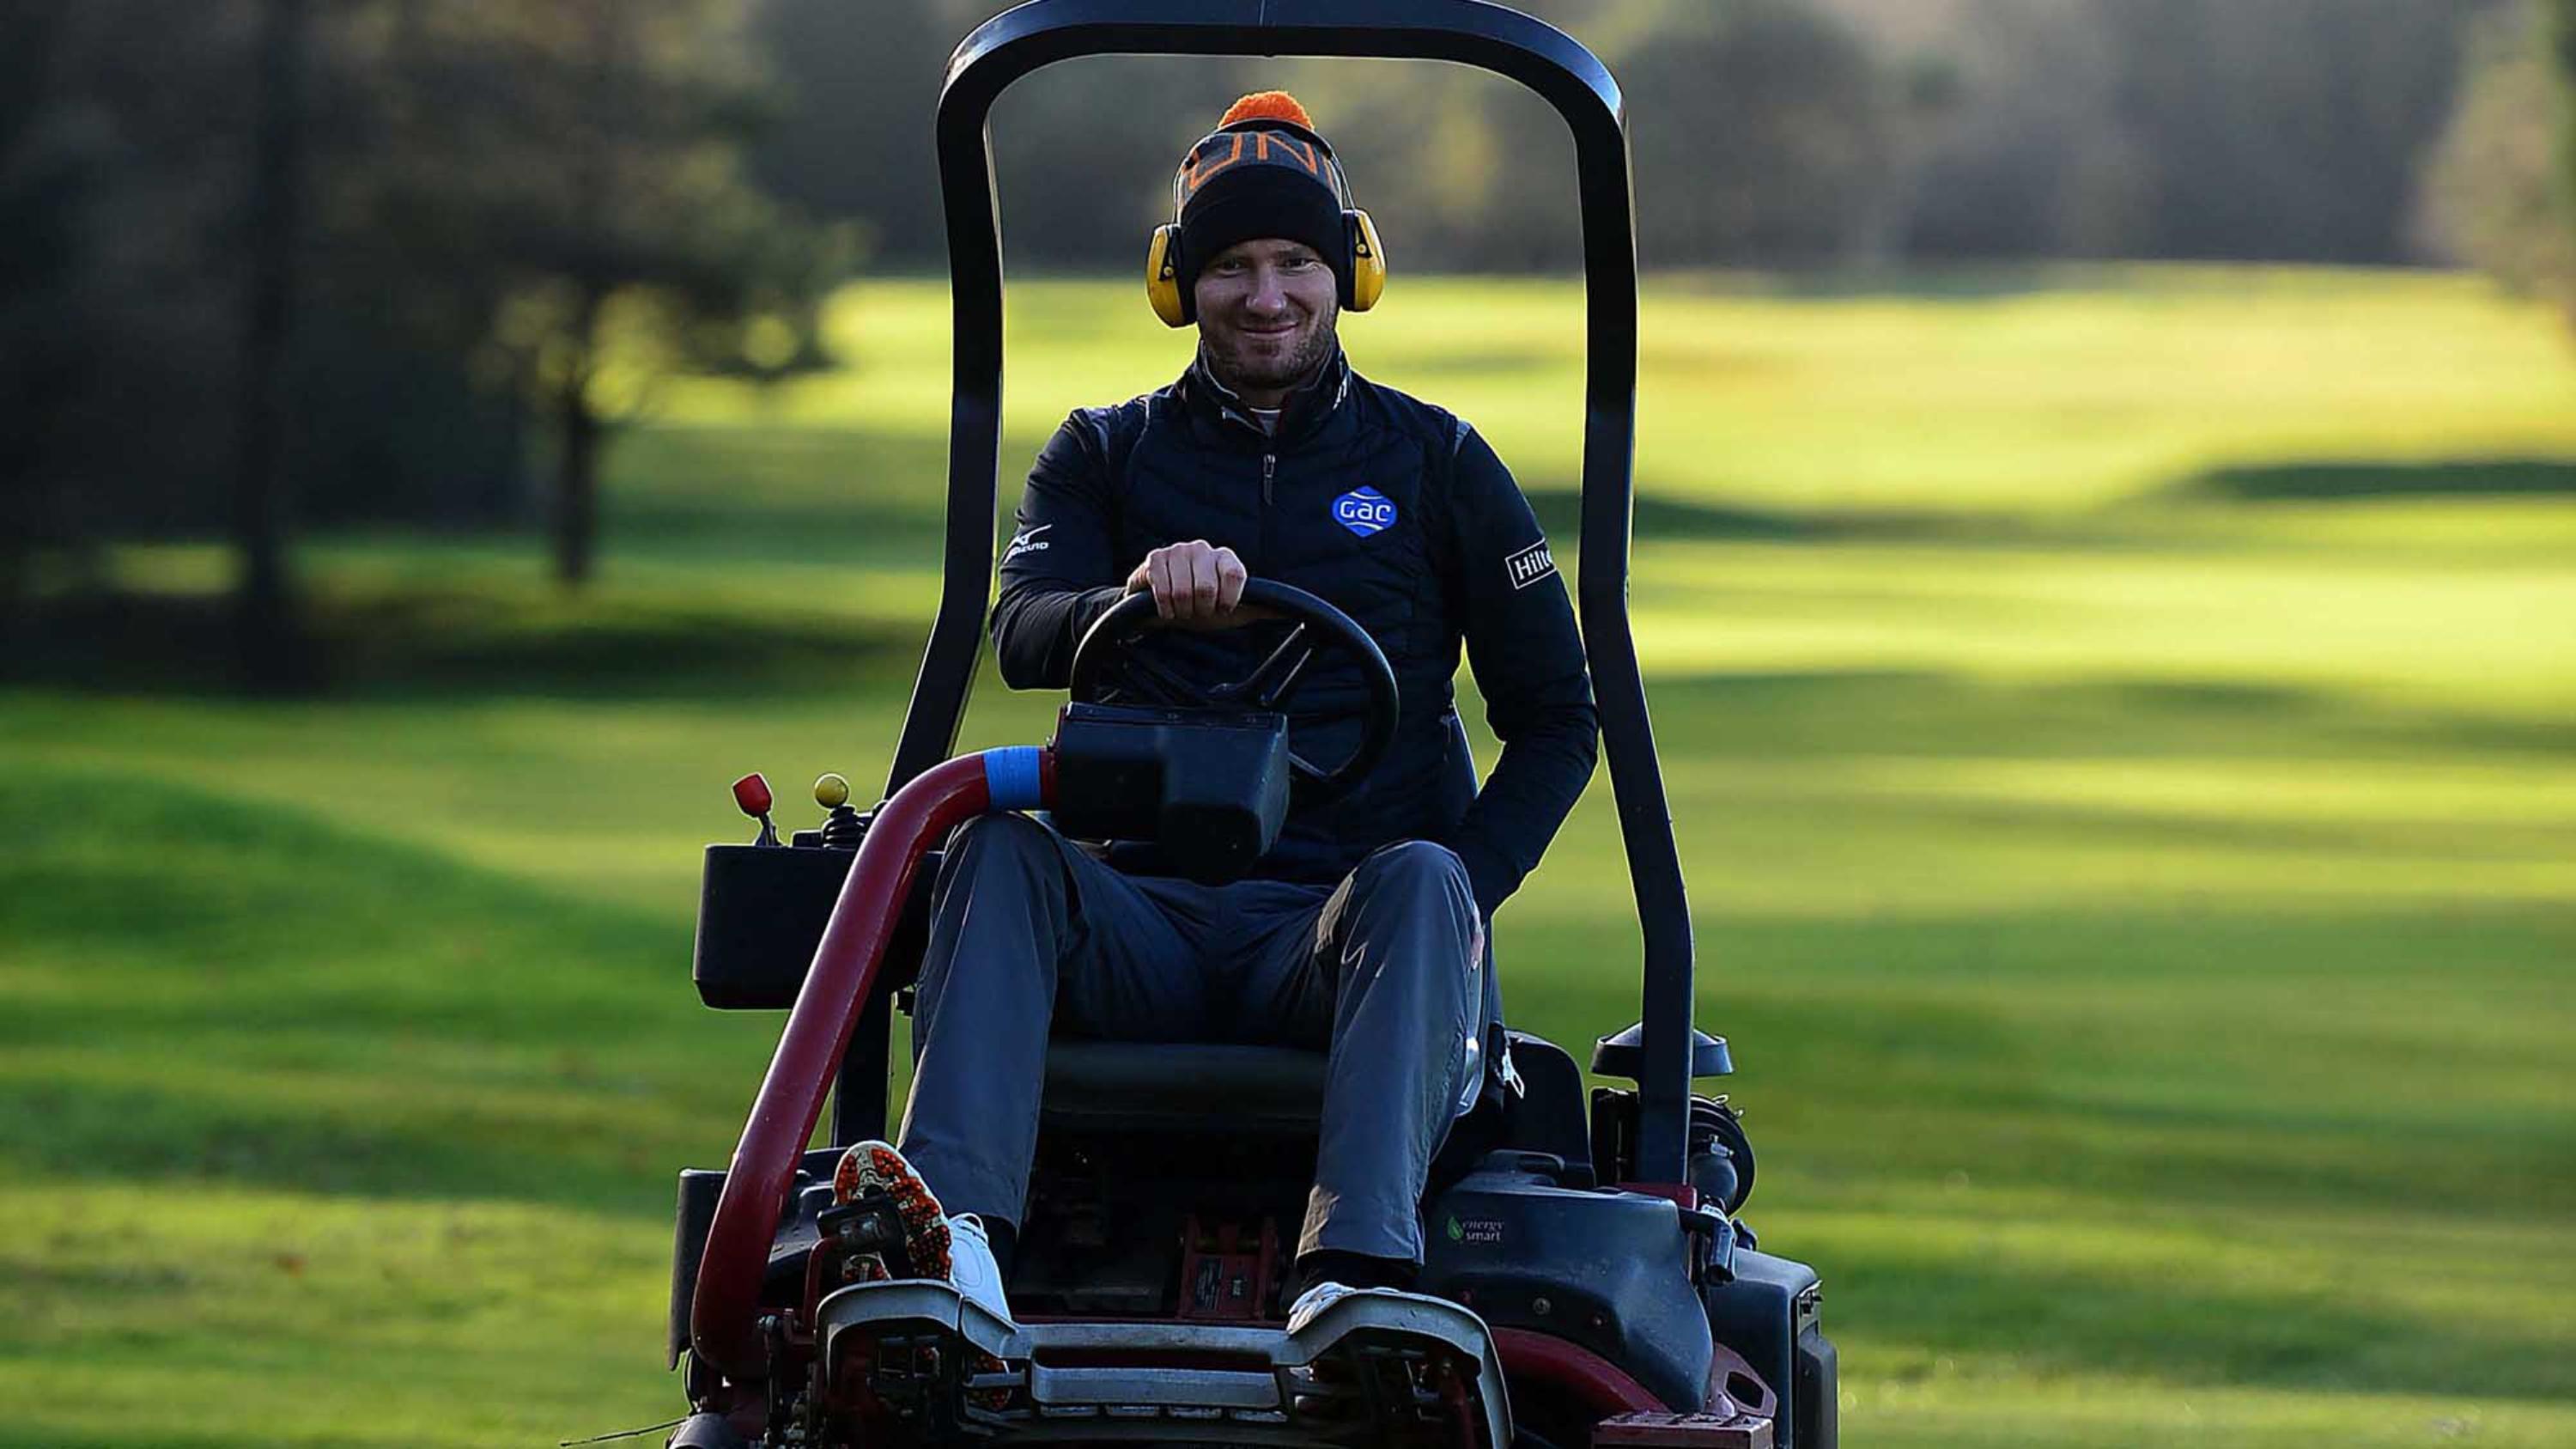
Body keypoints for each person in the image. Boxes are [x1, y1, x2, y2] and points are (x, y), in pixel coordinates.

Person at [844, 91, 1597, 1332]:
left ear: (1348, 271)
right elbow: (1022, 627)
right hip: (1135, 919)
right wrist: (1125, 600)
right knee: (989, 847)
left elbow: (1560, 718)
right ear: (1176, 283)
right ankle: (957, 1252)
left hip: (1335, 935)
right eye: (1234, 265)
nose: (1266, 295)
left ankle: (1356, 1274)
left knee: (1417, 876)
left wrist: (1459, 890)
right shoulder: (1104, 453)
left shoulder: (1437, 462)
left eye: (1295, 261)